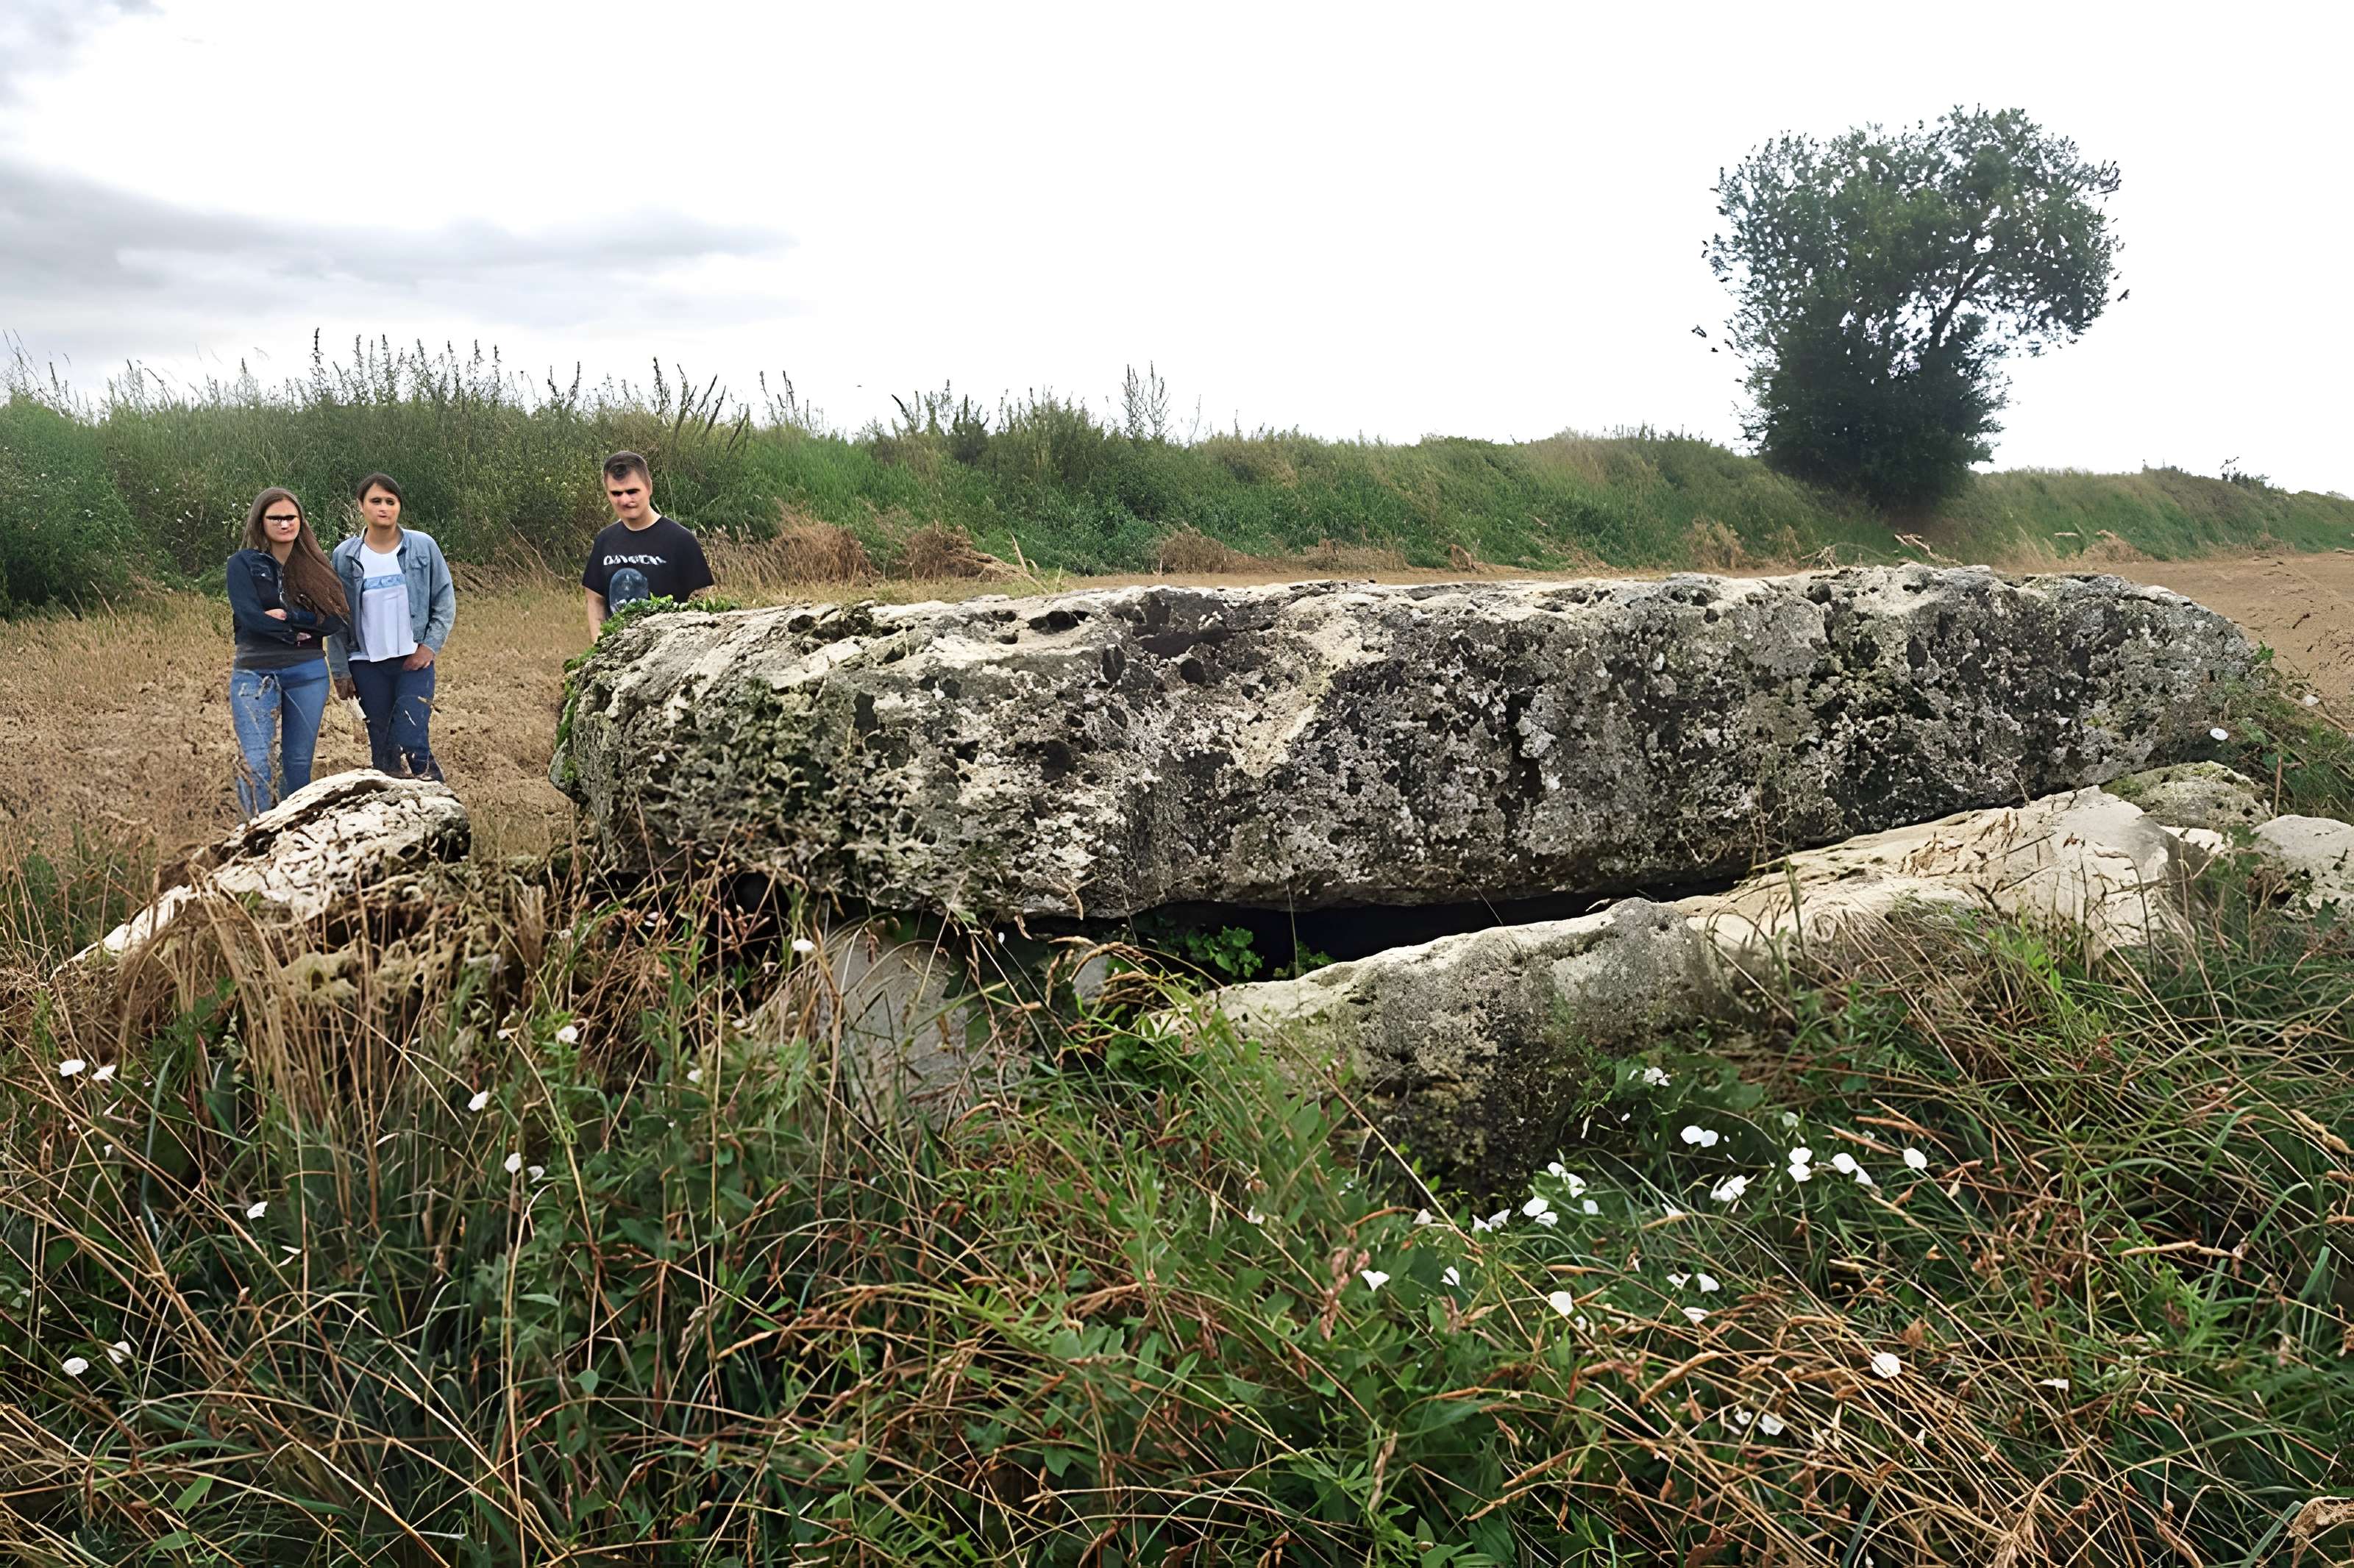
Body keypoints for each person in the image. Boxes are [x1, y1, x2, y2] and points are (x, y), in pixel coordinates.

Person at [227, 488, 350, 816]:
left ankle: (291, 836)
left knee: (297, 764)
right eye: (275, 518)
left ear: (300, 521)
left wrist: (291, 618)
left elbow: (336, 621)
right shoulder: (242, 564)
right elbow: (250, 618)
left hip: (307, 673)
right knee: (256, 762)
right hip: (255, 672)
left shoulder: (316, 567)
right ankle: (251, 837)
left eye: (290, 517)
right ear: (260, 522)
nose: (284, 524)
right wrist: (305, 627)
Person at [327, 472, 457, 782]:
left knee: (413, 738)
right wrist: (340, 670)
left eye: (390, 501)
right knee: (383, 748)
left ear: (399, 506)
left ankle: (442, 803)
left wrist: (428, 647)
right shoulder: (345, 556)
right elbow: (335, 617)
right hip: (367, 665)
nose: (383, 508)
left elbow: (444, 599)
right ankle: (395, 816)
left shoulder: (423, 547)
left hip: (413, 663)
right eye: (376, 501)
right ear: (361, 505)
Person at [581, 449, 712, 639]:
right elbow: (595, 601)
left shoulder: (681, 541)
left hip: (668, 653)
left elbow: (701, 604)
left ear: (649, 487)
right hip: (617, 657)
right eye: (616, 493)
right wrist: (599, 647)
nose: (625, 500)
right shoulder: (604, 540)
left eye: (632, 491)